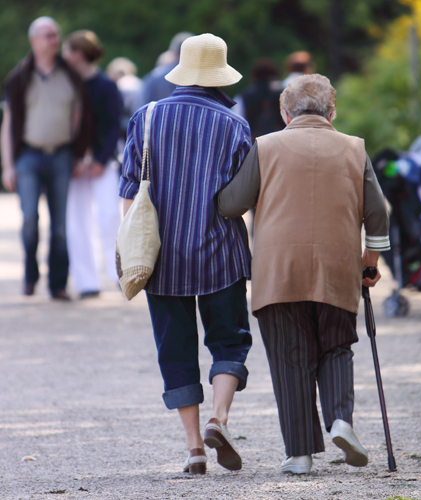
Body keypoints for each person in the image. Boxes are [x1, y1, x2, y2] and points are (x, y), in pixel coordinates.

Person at [218, 74, 390, 474]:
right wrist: (370, 262)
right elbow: (378, 212)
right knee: (336, 346)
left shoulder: (266, 147)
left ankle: (300, 454)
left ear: (284, 112)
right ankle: (341, 420)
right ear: (332, 112)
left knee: (289, 357)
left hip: (278, 271)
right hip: (337, 267)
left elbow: (230, 205)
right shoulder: (354, 149)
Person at [119, 33, 252, 475]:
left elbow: (128, 196)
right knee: (229, 340)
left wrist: (129, 244)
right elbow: (243, 199)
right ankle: (220, 417)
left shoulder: (147, 116)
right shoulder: (235, 125)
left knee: (175, 350)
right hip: (221, 254)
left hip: (162, 259)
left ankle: (195, 448)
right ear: (219, 76)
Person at [1, 16, 92, 300]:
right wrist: (7, 166)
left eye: (56, 35)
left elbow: (81, 116)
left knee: (60, 226)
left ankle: (58, 284)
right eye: (48, 35)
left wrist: (81, 152)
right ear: (34, 41)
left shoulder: (70, 75)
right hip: (28, 155)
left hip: (61, 156)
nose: (55, 40)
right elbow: (8, 123)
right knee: (29, 220)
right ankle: (30, 277)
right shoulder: (20, 78)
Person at [62, 31, 123, 298]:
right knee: (77, 222)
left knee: (110, 217)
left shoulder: (107, 87)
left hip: (102, 163)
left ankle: (119, 274)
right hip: (74, 164)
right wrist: (74, 158)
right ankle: (87, 281)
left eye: (66, 50)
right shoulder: (67, 83)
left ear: (77, 54)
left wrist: (99, 160)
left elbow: (114, 127)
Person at [133, 31, 193, 109]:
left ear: (172, 51)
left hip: (156, 119)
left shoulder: (155, 75)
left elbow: (140, 105)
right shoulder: (199, 77)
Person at [233, 59, 284, 141]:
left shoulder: (245, 95)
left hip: (255, 142)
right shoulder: (283, 93)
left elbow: (237, 120)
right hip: (280, 140)